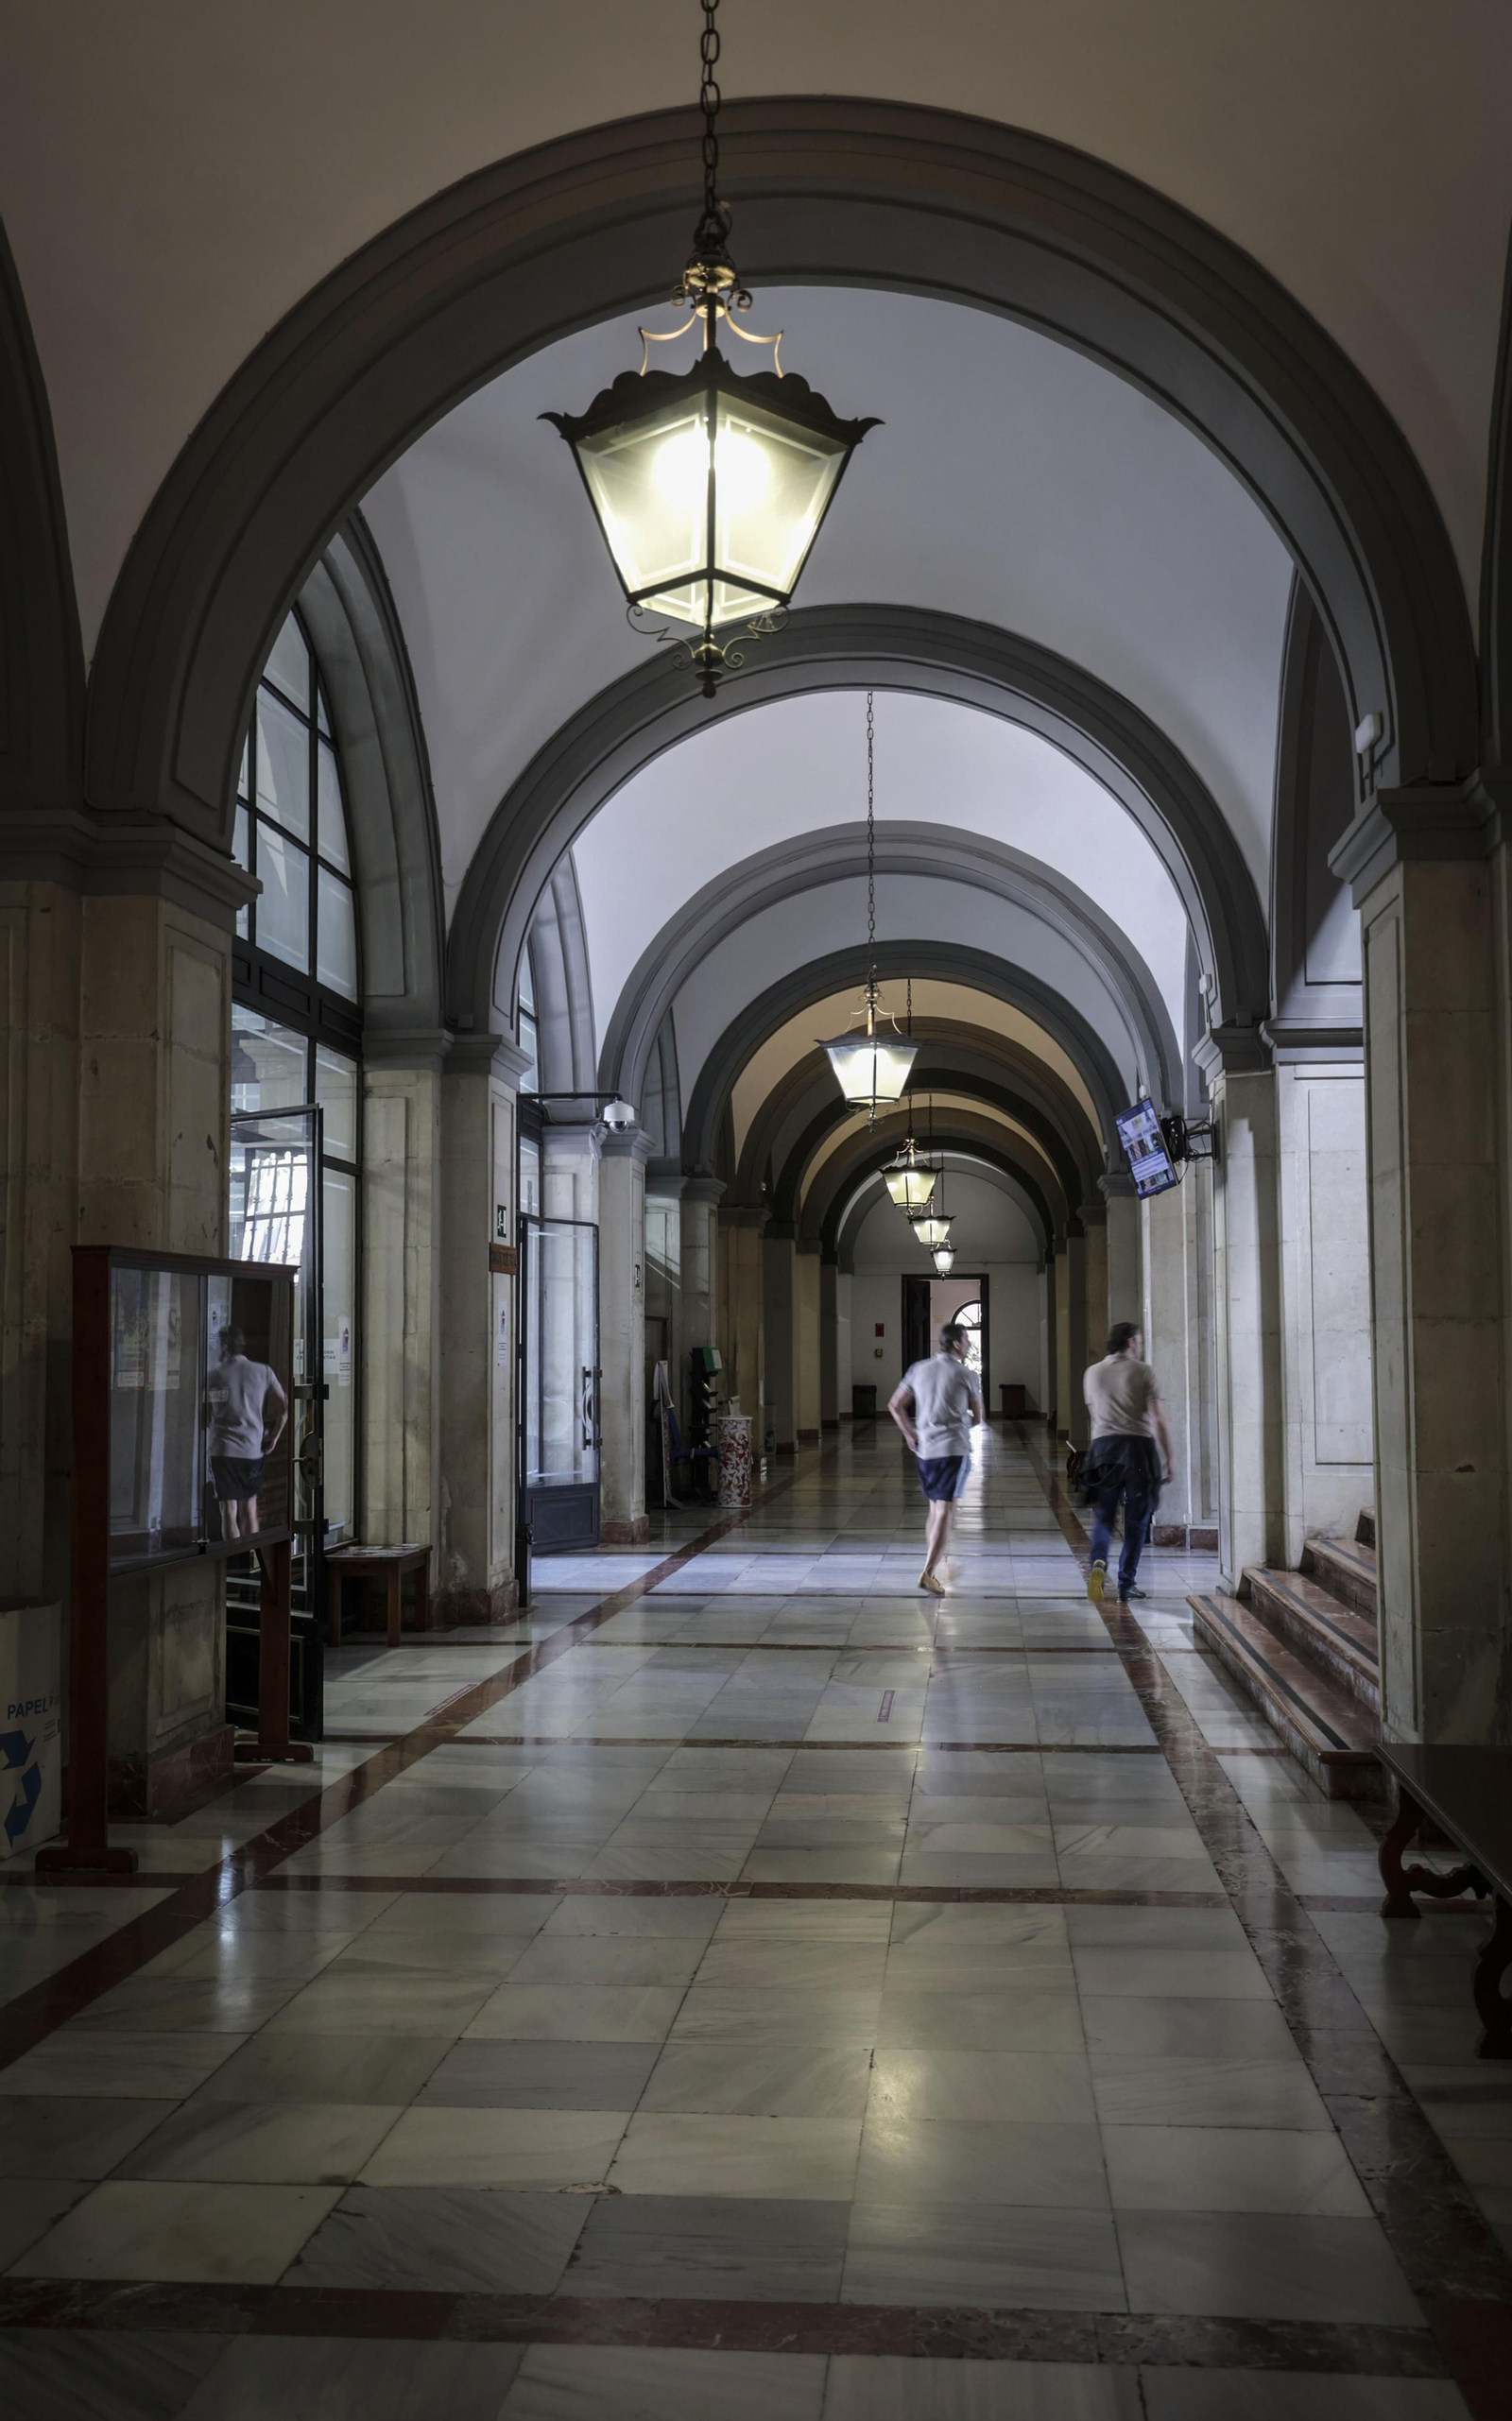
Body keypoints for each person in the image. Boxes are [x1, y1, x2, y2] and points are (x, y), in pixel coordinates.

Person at [1081, 1320, 1175, 1605]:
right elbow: (1157, 1418)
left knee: (1104, 1515)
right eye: (1141, 1341)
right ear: (1132, 1342)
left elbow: (1094, 1414)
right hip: (1137, 1450)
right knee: (1137, 1518)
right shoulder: (1143, 1371)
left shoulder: (1092, 1372)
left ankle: (1098, 1562)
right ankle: (1126, 1583)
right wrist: (1169, 1457)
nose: (1141, 1346)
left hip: (1103, 1449)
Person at [889, 1320, 984, 1596]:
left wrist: (911, 1434)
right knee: (945, 1511)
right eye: (966, 1340)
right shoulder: (967, 1374)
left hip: (925, 1451)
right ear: (957, 1344)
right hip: (952, 1451)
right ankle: (928, 1572)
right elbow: (978, 1418)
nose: (968, 1345)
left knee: (935, 1509)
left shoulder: (919, 1369)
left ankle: (934, 1560)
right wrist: (959, 1417)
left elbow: (895, 1405)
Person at [206, 1325, 288, 1540]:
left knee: (228, 1512)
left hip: (222, 1450)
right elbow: (284, 1408)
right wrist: (274, 1437)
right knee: (250, 1508)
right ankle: (253, 1556)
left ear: (224, 1345)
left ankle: (232, 1561)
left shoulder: (213, 1376)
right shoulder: (263, 1371)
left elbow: (203, 1415)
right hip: (252, 1449)